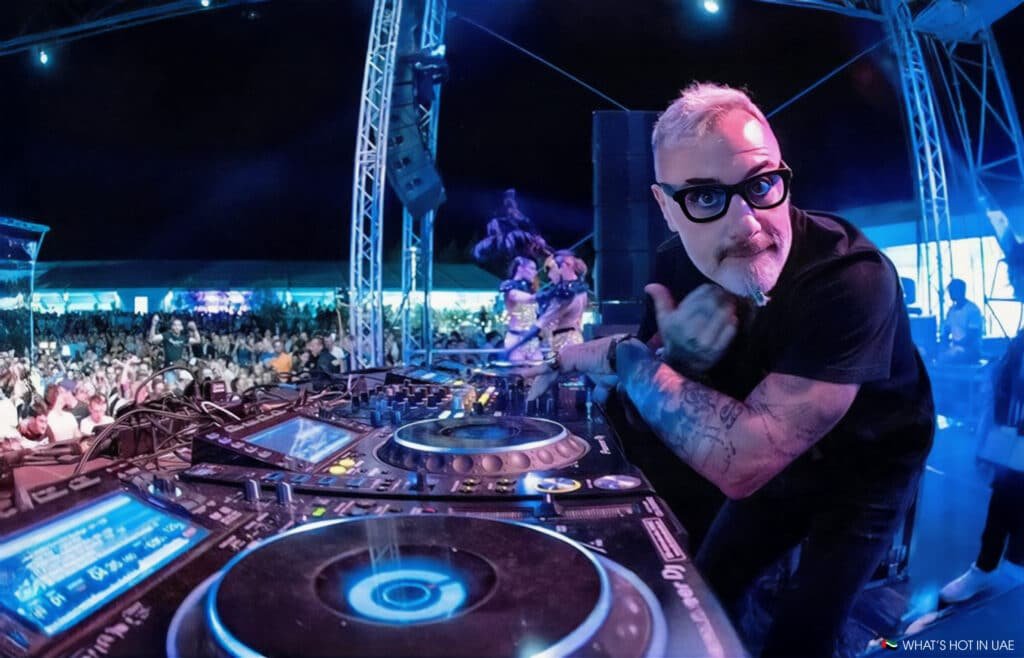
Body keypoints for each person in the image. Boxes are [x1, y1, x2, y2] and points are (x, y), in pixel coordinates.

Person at [532, 82, 934, 658]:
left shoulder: (853, 277)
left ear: (782, 175)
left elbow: (745, 457)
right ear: (666, 207)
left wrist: (633, 361)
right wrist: (667, 360)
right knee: (704, 594)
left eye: (761, 183)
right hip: (783, 474)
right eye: (703, 198)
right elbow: (660, 390)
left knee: (806, 629)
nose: (747, 224)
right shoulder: (674, 263)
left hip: (867, 470)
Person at [939, 243, 1024, 603]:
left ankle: (992, 567)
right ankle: (993, 566)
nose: (1008, 281)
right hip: (1013, 434)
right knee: (1006, 490)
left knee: (1008, 491)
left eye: (1013, 272)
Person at [501, 257, 543, 362]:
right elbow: (524, 298)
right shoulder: (509, 286)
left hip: (531, 338)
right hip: (516, 337)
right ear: (521, 268)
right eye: (532, 268)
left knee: (538, 373)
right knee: (520, 374)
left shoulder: (530, 288)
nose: (535, 272)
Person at [937, 278, 984, 364]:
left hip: (971, 350)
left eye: (952, 290)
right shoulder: (951, 310)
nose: (950, 293)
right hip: (956, 348)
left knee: (949, 358)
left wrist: (956, 345)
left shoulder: (972, 309)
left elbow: (972, 336)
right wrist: (943, 343)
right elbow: (946, 330)